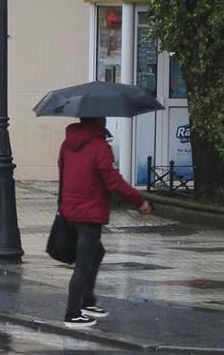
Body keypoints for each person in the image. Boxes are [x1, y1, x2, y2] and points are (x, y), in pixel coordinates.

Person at [58, 117, 152, 328]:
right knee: (84, 262)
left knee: (96, 253)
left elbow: (62, 172)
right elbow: (112, 180)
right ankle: (73, 313)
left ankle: (88, 301)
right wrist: (139, 201)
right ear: (99, 121)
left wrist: (63, 203)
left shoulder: (68, 143)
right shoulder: (99, 146)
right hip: (89, 212)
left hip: (71, 210)